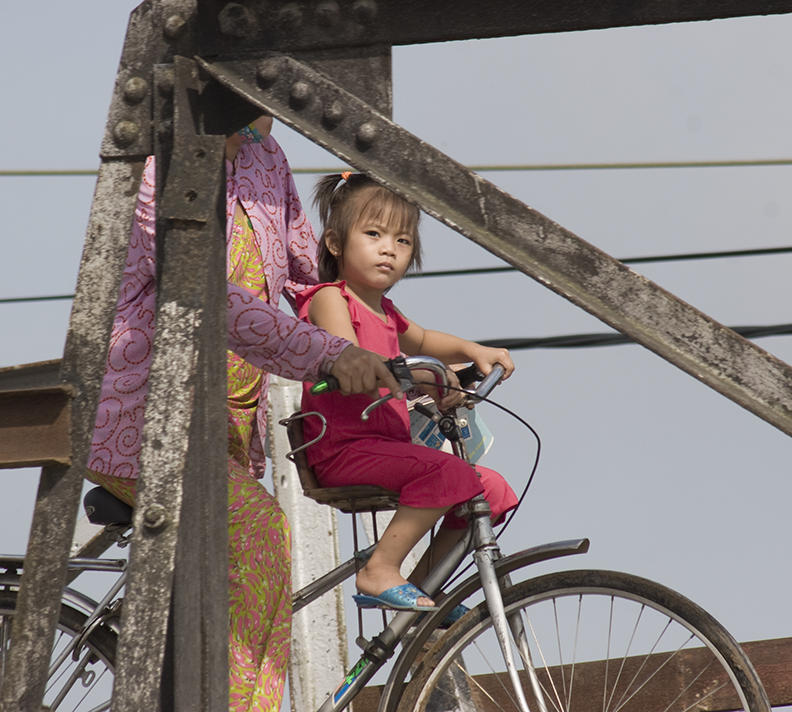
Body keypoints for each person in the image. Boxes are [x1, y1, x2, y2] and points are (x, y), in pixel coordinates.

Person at [84, 118, 401, 712]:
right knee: (260, 537)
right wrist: (335, 353)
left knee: (232, 584)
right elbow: (209, 293)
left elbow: (318, 275)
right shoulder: (166, 168)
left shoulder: (265, 156)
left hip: (226, 426)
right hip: (149, 421)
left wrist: (407, 354)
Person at [299, 172, 519, 612]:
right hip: (345, 448)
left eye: (402, 241)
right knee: (448, 474)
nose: (389, 249)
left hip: (387, 448)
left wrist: (472, 350)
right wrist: (425, 377)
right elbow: (354, 356)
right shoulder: (331, 300)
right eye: (374, 234)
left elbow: (422, 338)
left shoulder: (386, 312)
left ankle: (422, 586)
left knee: (490, 490)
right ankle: (378, 570)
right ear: (336, 244)